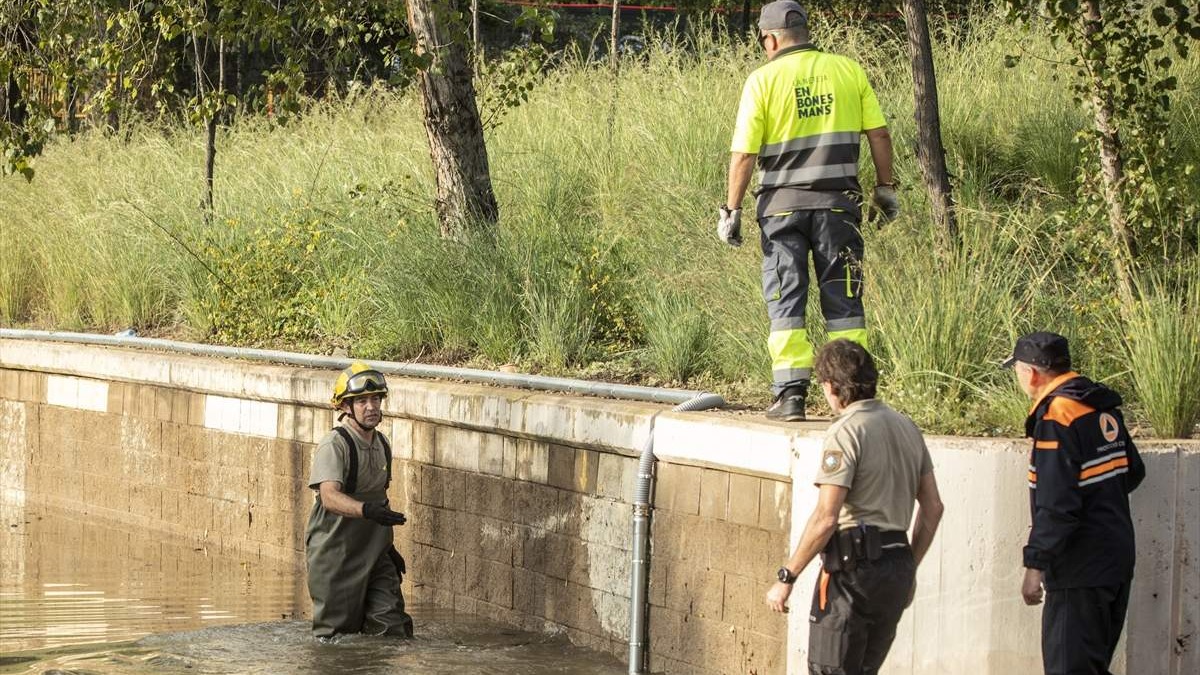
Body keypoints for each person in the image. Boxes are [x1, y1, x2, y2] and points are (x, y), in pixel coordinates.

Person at [719, 0, 898, 421]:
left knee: (786, 300)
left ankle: (790, 395)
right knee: (845, 302)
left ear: (771, 38)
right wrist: (885, 189)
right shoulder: (848, 70)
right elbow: (880, 134)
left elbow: (744, 154)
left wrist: (731, 209)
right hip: (839, 207)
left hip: (780, 211)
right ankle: (853, 397)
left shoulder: (762, 81)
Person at [766, 339, 943, 675]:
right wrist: (909, 568)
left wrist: (787, 576)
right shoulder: (907, 427)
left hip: (852, 574)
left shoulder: (846, 431)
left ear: (832, 386)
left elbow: (825, 517)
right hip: (896, 568)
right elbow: (933, 507)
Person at [1004, 331, 1144, 675]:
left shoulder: (1058, 417)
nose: (1019, 378)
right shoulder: (1101, 407)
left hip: (1079, 567)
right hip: (1116, 558)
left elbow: (1056, 504)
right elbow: (1134, 472)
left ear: (1033, 373)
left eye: (1018, 370)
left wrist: (1035, 566)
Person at [305, 362, 414, 639]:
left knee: (391, 627)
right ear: (344, 407)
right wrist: (366, 511)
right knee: (337, 639)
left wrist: (387, 548)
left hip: (375, 554)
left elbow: (380, 502)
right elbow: (329, 497)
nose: (371, 407)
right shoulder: (335, 444)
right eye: (362, 401)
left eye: (375, 399)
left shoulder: (383, 444)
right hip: (336, 554)